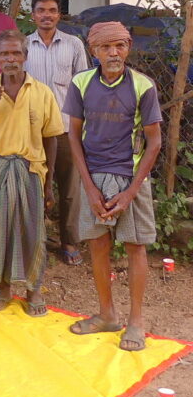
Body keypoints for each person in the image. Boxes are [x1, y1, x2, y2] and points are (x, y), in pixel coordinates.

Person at [65, 22, 162, 352]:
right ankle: (107, 315)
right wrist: (89, 188)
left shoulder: (142, 86)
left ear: (129, 47)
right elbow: (74, 137)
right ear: (93, 52)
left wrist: (131, 191)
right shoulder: (80, 84)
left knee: (136, 247)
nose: (113, 53)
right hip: (94, 177)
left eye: (119, 46)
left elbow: (154, 142)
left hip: (130, 178)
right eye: (105, 48)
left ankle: (135, 321)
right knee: (97, 244)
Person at [0, 29, 63, 317]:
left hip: (29, 167)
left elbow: (52, 137)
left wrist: (48, 184)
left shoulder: (42, 92)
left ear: (25, 56)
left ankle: (33, 290)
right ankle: (3, 289)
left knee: (32, 232)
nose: (11, 59)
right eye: (5, 54)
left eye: (16, 53)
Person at [24, 0, 89, 266]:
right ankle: (35, 242)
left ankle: (69, 241)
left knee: (70, 189)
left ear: (59, 15)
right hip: (32, 131)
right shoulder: (24, 46)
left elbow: (83, 86)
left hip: (65, 129)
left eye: (52, 10)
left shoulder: (73, 45)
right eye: (41, 10)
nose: (46, 15)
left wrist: (81, 128)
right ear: (33, 15)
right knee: (35, 185)